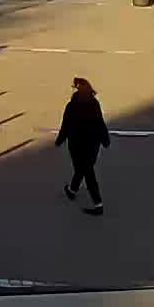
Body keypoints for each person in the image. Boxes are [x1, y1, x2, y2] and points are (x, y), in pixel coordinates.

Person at [56, 77, 111, 215]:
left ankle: (98, 204)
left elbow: (66, 126)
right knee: (84, 169)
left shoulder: (72, 105)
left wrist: (59, 140)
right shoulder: (94, 104)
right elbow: (100, 123)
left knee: (86, 172)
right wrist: (105, 140)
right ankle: (72, 190)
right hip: (93, 146)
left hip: (76, 145)